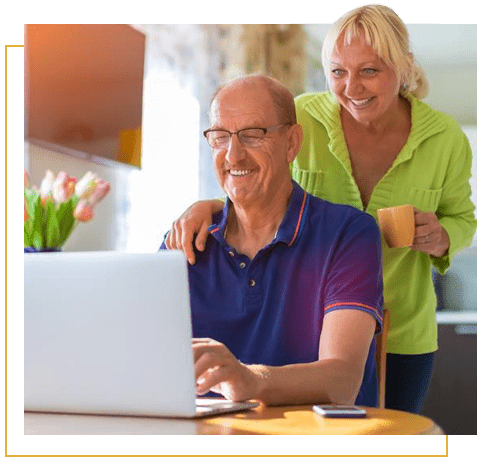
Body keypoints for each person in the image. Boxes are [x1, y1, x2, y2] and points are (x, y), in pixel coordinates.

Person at [165, 5, 477, 413]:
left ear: (403, 67)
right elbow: (257, 177)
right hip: (311, 321)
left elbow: (464, 220)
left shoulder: (445, 139)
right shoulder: (306, 117)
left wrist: (442, 236)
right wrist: (208, 206)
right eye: (337, 72)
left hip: (401, 329)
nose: (352, 88)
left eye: (369, 71)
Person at [161, 74, 384, 406]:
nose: (233, 156)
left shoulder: (349, 234)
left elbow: (343, 381)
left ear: (292, 143)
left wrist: (251, 380)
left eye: (252, 135)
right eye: (220, 137)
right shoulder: (184, 241)